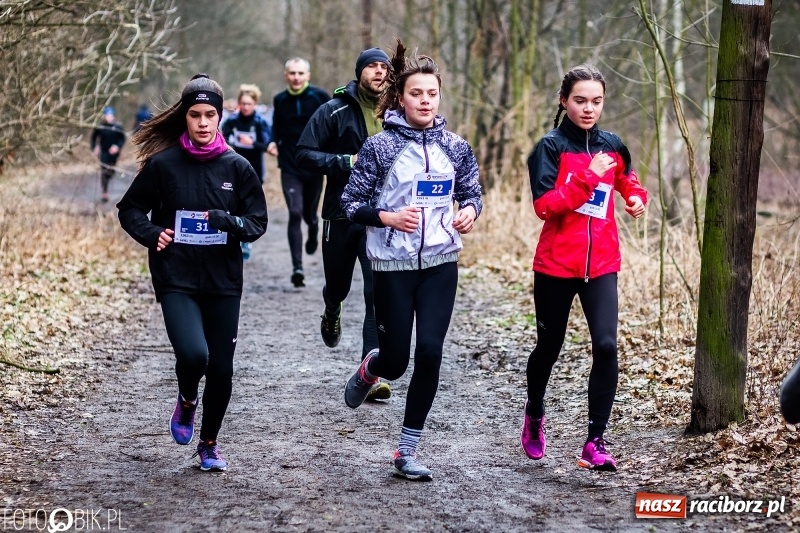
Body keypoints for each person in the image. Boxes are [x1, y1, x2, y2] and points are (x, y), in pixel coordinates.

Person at [340, 40, 483, 481]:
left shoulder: (455, 147)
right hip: (392, 267)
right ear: (400, 98)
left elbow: (473, 192)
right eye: (416, 93)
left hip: (441, 264)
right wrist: (387, 217)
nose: (425, 101)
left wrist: (469, 211)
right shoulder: (380, 148)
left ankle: (406, 450)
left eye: (432, 94)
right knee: (396, 362)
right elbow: (350, 203)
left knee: (431, 352)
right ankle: (372, 366)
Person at [117, 73, 268, 472]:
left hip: (222, 281)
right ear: (185, 116)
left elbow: (257, 221)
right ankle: (187, 399)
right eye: (195, 115)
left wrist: (227, 221)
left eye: (210, 115)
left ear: (220, 117)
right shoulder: (163, 165)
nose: (203, 122)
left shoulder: (238, 168)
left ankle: (209, 444)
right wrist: (153, 233)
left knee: (221, 368)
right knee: (194, 354)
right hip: (176, 277)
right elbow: (129, 209)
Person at [521, 65, 647, 472]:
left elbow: (627, 180)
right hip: (556, 266)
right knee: (549, 347)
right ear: (564, 101)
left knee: (606, 346)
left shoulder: (613, 146)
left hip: (603, 264)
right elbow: (545, 206)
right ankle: (535, 412)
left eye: (596, 101)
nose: (588, 108)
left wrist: (636, 198)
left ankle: (595, 441)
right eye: (580, 101)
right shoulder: (550, 147)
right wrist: (586, 180)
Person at [296, 47, 392, 401]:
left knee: (376, 296)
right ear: (359, 71)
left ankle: (372, 373)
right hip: (340, 213)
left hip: (380, 218)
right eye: (372, 66)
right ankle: (332, 308)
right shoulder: (333, 110)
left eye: (384, 67)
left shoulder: (396, 112)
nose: (379, 72)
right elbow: (303, 153)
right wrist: (344, 161)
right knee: (338, 286)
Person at [267, 58, 331, 287]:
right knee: (294, 212)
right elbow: (276, 126)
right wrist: (272, 141)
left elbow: (331, 123)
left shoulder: (320, 97)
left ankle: (313, 226)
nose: (296, 77)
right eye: (292, 73)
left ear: (308, 76)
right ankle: (297, 268)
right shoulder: (280, 99)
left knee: (309, 213)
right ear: (286, 75)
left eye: (300, 73)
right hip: (290, 164)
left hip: (314, 164)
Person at [221, 84, 271, 260]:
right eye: (243, 103)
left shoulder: (261, 122)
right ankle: (235, 237)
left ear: (255, 104)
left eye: (249, 104)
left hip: (255, 169)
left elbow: (267, 146)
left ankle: (246, 240)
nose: (245, 107)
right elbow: (221, 139)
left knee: (249, 205)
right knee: (234, 202)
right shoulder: (232, 121)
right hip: (234, 169)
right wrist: (231, 145)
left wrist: (252, 143)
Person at [90, 106, 126, 202]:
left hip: (114, 154)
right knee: (104, 170)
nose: (109, 117)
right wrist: (95, 147)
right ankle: (104, 192)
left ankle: (108, 182)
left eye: (110, 115)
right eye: (107, 115)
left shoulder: (117, 127)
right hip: (104, 152)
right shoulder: (101, 126)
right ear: (104, 116)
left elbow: (122, 139)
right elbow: (93, 138)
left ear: (113, 116)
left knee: (110, 171)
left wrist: (117, 147)